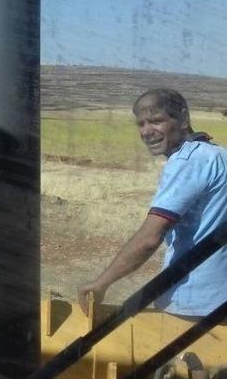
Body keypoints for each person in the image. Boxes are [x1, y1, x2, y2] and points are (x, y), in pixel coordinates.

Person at [78, 88, 227, 318]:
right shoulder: (218, 155)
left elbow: (150, 238)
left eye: (156, 121)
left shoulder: (187, 162)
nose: (147, 131)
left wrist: (101, 283)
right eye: (141, 124)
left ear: (183, 118)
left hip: (193, 303)